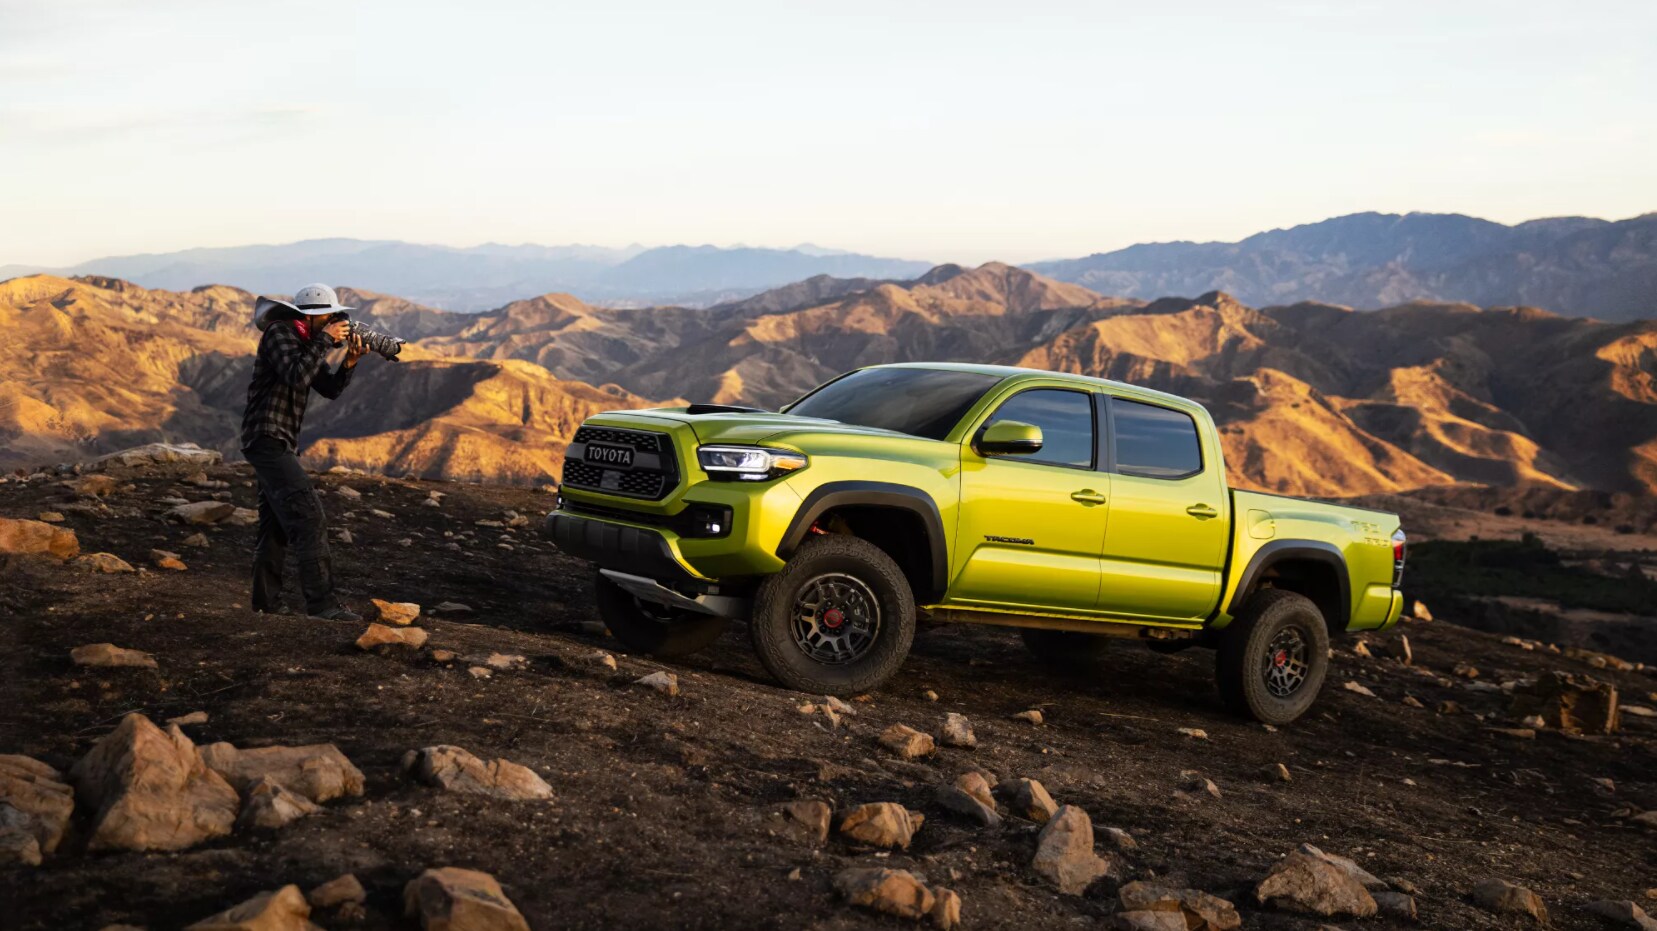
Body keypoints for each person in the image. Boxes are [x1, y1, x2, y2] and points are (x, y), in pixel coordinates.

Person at [241, 283, 367, 621]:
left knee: (276, 527)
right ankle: (322, 605)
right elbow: (297, 375)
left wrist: (349, 361)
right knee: (309, 518)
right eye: (329, 316)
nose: (335, 321)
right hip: (266, 437)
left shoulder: (305, 341)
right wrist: (325, 340)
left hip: (279, 441)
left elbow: (328, 388)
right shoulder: (279, 333)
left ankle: (264, 605)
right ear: (312, 316)